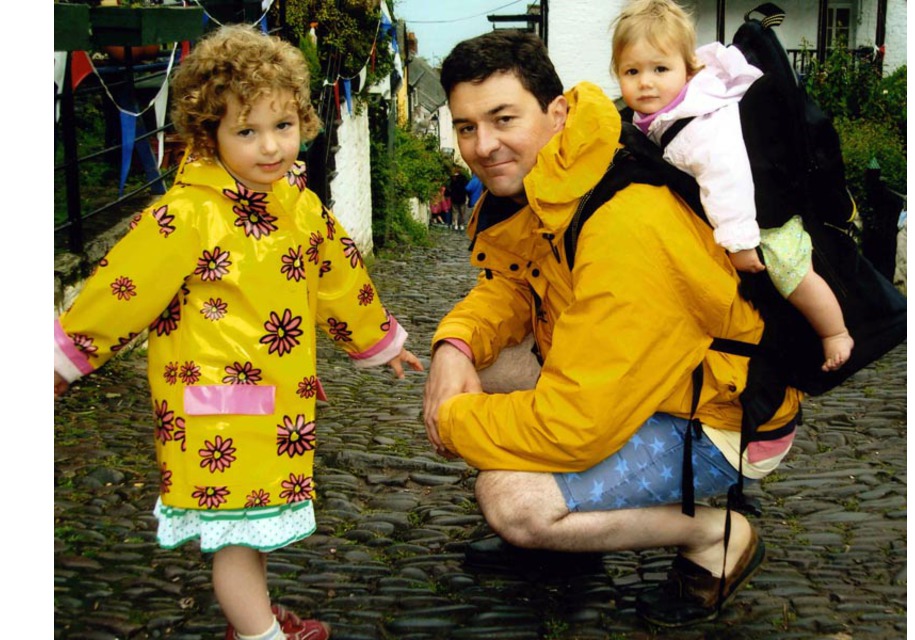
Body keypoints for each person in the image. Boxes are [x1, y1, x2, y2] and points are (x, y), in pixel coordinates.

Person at [54, 24, 423, 640]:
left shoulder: (298, 203)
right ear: (210, 133)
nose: (271, 147)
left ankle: (256, 616)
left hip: (278, 403)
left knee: (254, 524)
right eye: (246, 131)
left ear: (303, 119)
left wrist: (379, 341)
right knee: (232, 534)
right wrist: (61, 362)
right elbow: (122, 290)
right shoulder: (188, 214)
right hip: (211, 410)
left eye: (282, 126)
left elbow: (337, 275)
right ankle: (258, 634)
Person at [421, 29, 801, 627]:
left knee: (511, 500)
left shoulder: (623, 224)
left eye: (502, 119)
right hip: (651, 380)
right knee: (482, 362)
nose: (483, 145)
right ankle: (575, 540)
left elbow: (574, 427)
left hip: (723, 416)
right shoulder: (564, 173)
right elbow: (515, 284)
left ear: (557, 111)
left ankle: (717, 537)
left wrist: (451, 419)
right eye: (467, 127)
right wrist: (455, 345)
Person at [612, 0, 853, 372]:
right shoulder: (661, 113)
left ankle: (835, 332)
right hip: (729, 217)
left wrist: (740, 242)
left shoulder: (701, 121)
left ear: (688, 70)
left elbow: (729, 179)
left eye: (660, 68)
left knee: (791, 272)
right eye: (632, 71)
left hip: (760, 221)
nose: (645, 82)